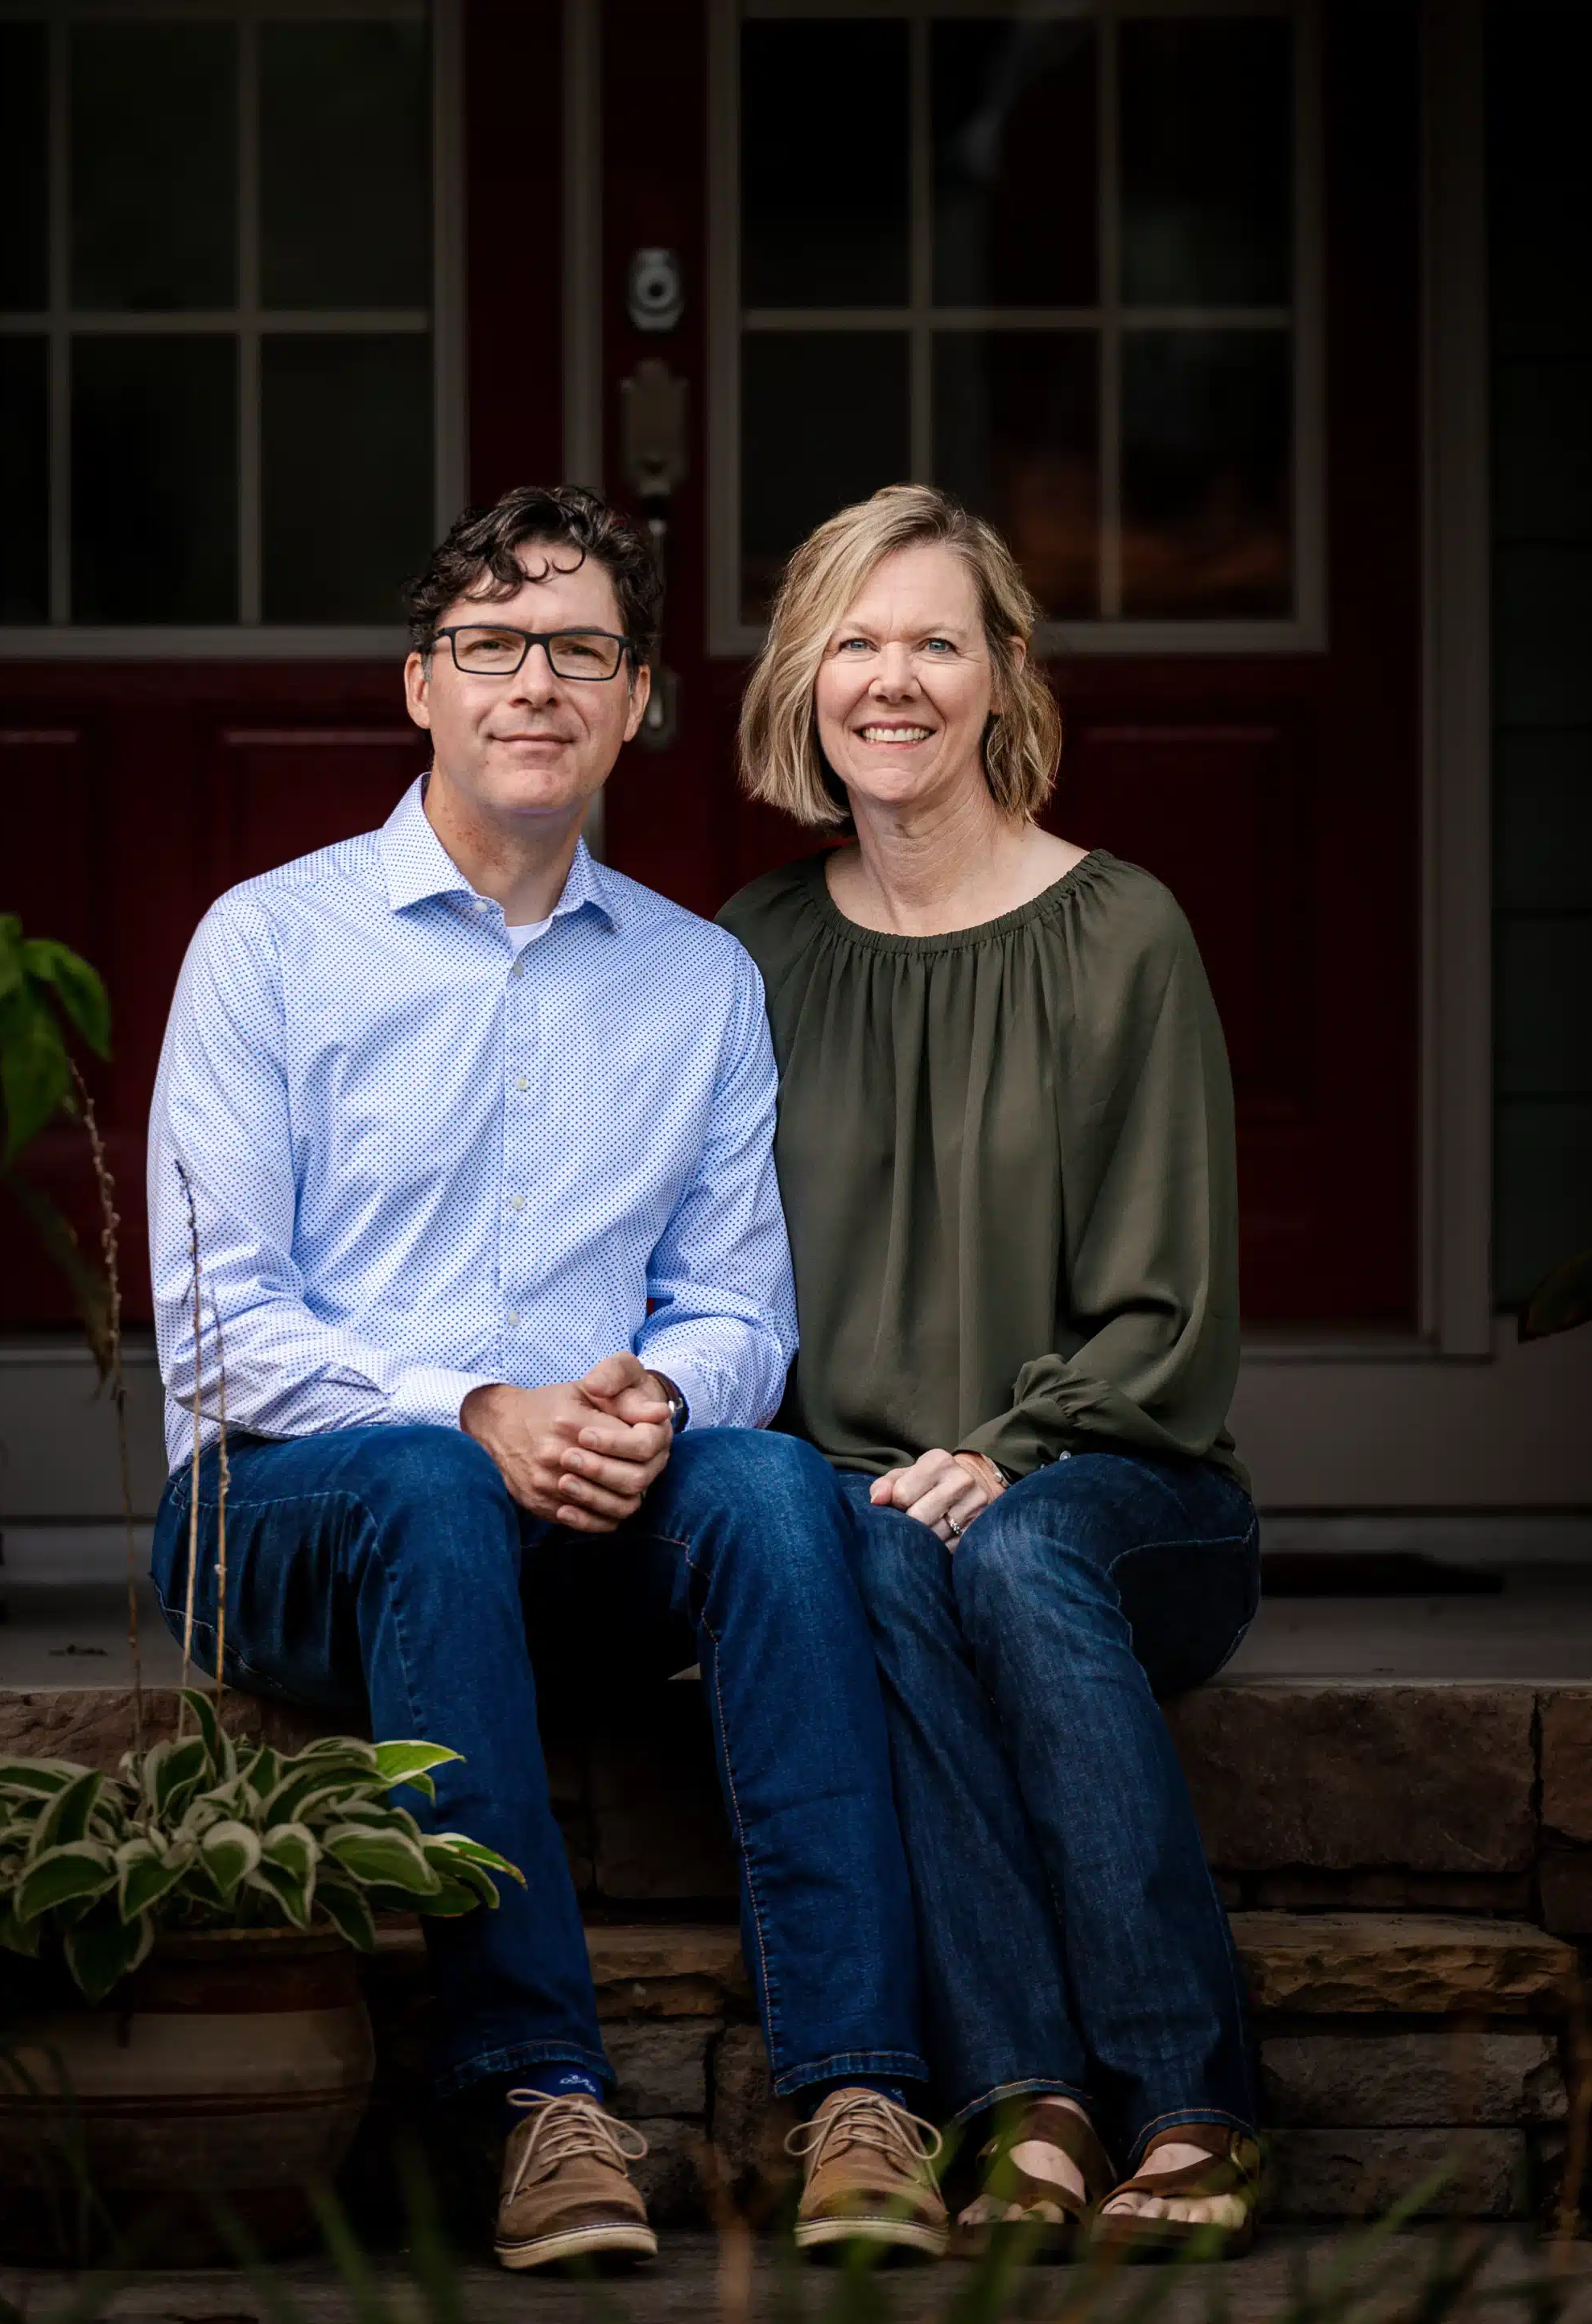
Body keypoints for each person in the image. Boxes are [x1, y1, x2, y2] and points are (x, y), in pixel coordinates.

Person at [146, 485, 948, 2272]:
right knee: (434, 1481)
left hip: (579, 1522)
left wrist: (652, 1403)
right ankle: (538, 2099)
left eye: (581, 650)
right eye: (493, 644)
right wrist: (472, 1408)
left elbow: (738, 1308)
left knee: (773, 1481)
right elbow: (215, 1325)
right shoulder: (269, 942)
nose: (536, 682)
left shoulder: (698, 978)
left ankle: (859, 2094)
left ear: (637, 698)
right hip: (292, 1519)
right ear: (419, 684)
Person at [718, 484, 1264, 2261]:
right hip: (869, 1494)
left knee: (1011, 1552)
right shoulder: (752, 952)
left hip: (1123, 1491)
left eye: (936, 642)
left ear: (1004, 673)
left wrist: (1012, 1451)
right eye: (854, 642)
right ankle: (1030, 2099)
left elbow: (1169, 1320)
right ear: (803, 677)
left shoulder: (1124, 934)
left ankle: (1190, 2094)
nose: (893, 681)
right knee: (884, 1549)